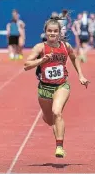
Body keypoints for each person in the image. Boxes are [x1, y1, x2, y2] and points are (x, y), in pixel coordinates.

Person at [24, 17, 90, 158]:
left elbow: (74, 58)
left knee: (57, 112)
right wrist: (42, 60)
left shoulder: (66, 46)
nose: (52, 33)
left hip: (62, 85)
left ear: (60, 33)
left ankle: (59, 147)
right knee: (49, 120)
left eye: (55, 31)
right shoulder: (40, 47)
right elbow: (26, 65)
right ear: (45, 32)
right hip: (44, 88)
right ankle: (46, 115)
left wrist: (81, 75)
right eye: (50, 31)